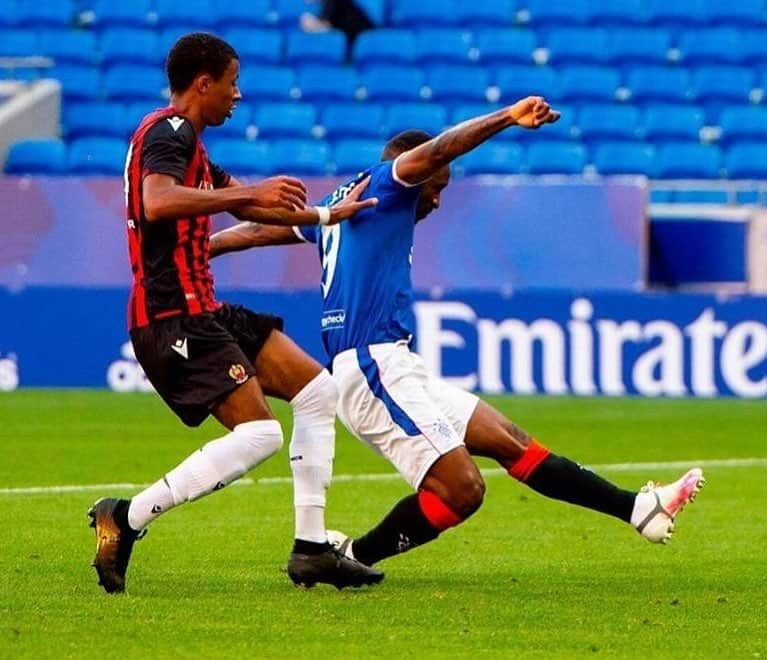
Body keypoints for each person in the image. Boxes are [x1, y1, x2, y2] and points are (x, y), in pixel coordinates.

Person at [208, 97, 705, 570]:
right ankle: (356, 555)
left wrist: (205, 249)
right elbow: (442, 146)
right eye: (435, 186)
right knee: (462, 489)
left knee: (510, 440)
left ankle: (637, 509)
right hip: (373, 367)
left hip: (395, 364)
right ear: (413, 171)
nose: (438, 199)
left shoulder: (345, 202)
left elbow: (260, 231)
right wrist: (508, 117)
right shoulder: (391, 180)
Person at [87, 32, 383, 594]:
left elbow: (251, 215)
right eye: (232, 83)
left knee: (317, 392)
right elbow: (158, 202)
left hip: (207, 310)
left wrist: (326, 217)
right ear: (204, 84)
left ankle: (312, 549)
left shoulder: (193, 150)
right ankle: (126, 518)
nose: (237, 95)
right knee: (261, 436)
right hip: (172, 319)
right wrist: (247, 193)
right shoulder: (168, 133)